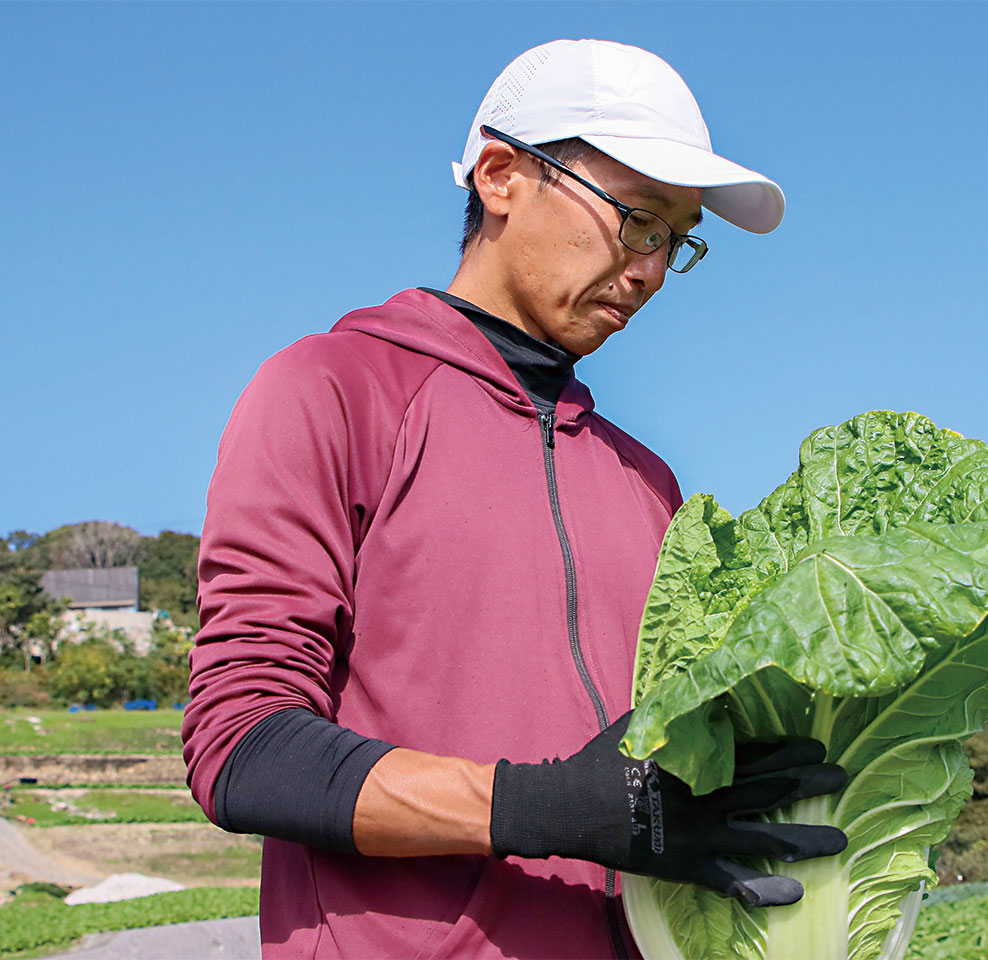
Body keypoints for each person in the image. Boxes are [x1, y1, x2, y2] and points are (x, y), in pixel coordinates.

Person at [182, 38, 847, 959]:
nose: (651, 270)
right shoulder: (335, 391)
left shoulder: (648, 482)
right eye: (636, 220)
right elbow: (243, 748)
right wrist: (543, 808)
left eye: (677, 240)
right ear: (500, 175)